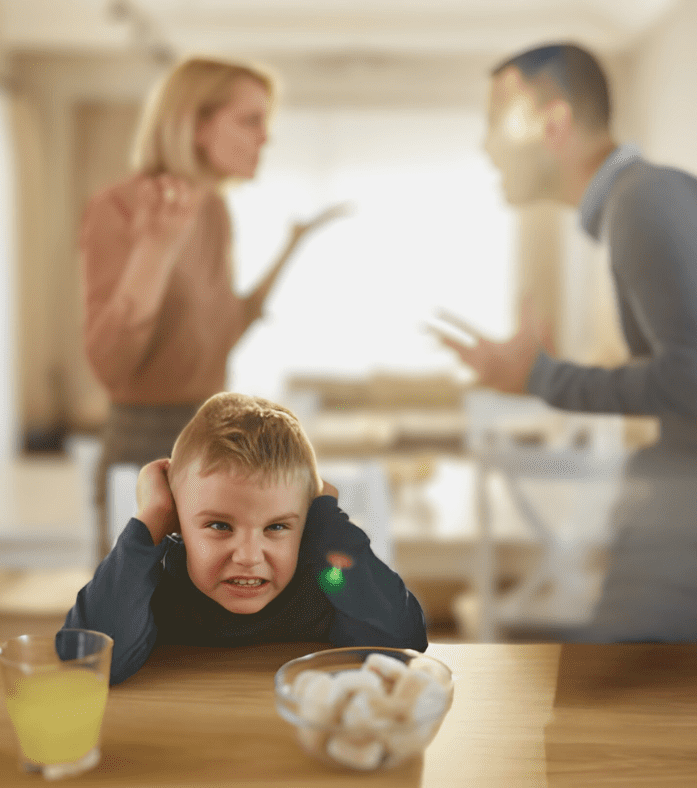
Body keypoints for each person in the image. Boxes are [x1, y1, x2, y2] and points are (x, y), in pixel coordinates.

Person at [434, 43, 697, 642]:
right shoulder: (641, 203)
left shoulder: (646, 201)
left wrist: (544, 377)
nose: (485, 147)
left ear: (551, 123)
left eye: (495, 124)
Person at [80, 56, 345, 556]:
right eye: (250, 121)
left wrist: (292, 246)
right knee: (138, 624)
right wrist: (154, 253)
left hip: (209, 438)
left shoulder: (215, 211)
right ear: (196, 125)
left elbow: (222, 334)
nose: (265, 138)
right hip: (145, 444)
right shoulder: (118, 207)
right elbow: (111, 367)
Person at [61, 392, 428, 685]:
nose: (250, 557)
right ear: (177, 517)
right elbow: (87, 660)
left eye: (277, 527)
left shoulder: (327, 582)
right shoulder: (154, 585)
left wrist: (325, 521)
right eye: (220, 526)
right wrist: (151, 518)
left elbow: (401, 641)